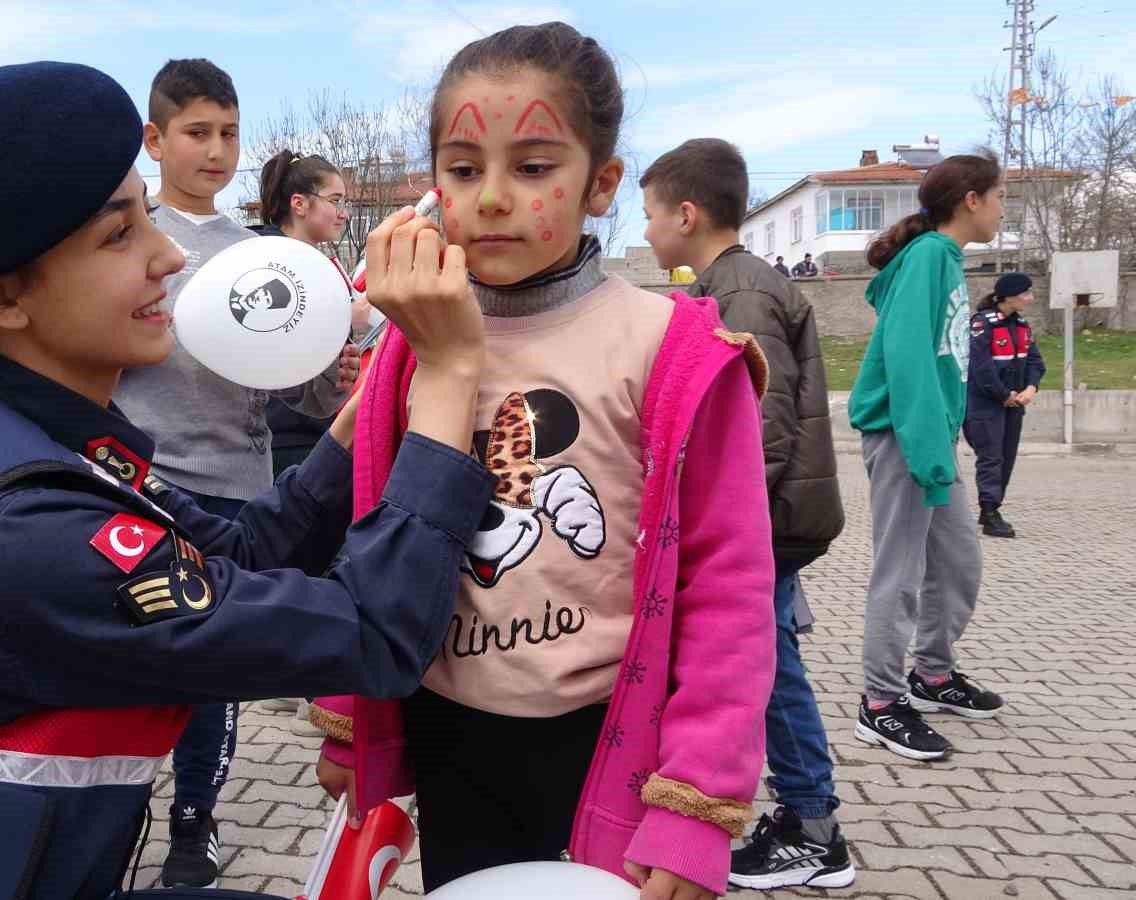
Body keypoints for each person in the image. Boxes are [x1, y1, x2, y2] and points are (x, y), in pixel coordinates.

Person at [0, 61, 493, 900]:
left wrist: (365, 407)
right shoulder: (34, 529)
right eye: (120, 235)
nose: (169, 256)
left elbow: (244, 547)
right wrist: (448, 373)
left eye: (147, 215)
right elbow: (371, 633)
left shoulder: (16, 442)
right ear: (1, 296)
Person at [311, 24, 775, 900]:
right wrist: (352, 716)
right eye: (460, 168)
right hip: (451, 732)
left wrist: (697, 802)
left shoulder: (673, 348)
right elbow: (365, 524)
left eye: (531, 167)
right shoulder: (417, 342)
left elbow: (731, 587)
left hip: (610, 742)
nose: (489, 198)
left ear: (601, 185)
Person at [110, 59, 359, 889]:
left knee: (214, 669)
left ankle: (193, 824)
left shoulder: (259, 255)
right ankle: (104, 810)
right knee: (127, 657)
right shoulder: (126, 239)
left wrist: (334, 361)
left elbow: (291, 381)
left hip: (236, 486)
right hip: (139, 481)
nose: (216, 151)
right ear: (156, 139)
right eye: (197, 133)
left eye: (229, 134)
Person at [641, 137, 853, 891]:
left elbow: (756, 427)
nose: (647, 235)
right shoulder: (737, 283)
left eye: (652, 216)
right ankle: (807, 814)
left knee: (766, 671)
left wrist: (723, 528)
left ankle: (813, 826)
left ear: (687, 214)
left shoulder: (740, 294)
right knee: (772, 659)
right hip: (777, 517)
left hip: (764, 522)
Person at [850, 153, 1008, 763]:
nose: (1001, 209)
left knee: (958, 562)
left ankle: (933, 675)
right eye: (998, 196)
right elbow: (909, 356)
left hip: (930, 439)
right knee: (902, 569)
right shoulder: (926, 261)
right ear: (970, 199)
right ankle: (881, 703)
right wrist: (926, 448)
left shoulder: (944, 259)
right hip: (904, 437)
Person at [257, 149, 373, 480]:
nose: (344, 214)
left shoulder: (315, 265)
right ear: (300, 203)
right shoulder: (262, 259)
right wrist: (343, 319)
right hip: (278, 434)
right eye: (335, 200)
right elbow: (268, 334)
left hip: (316, 426)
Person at [964, 272, 1044, 539]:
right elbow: (980, 368)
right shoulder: (982, 324)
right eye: (1026, 293)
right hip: (985, 405)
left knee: (1006, 458)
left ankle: (993, 506)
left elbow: (1035, 362)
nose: (1030, 298)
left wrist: (1030, 388)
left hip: (1014, 405)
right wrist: (1003, 395)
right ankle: (989, 513)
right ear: (1009, 296)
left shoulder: (1022, 325)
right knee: (991, 457)